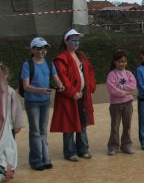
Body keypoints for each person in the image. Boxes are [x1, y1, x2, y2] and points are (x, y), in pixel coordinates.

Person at [50, 29, 96, 162]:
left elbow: (90, 71)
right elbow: (62, 78)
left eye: (78, 40)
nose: (76, 43)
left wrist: (90, 87)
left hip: (82, 96)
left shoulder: (81, 56)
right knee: (69, 124)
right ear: (66, 41)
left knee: (82, 123)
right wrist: (72, 93)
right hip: (68, 99)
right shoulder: (61, 59)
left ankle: (83, 150)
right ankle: (70, 152)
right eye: (73, 40)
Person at [21, 37, 64, 170]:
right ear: (33, 49)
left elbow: (55, 78)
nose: (42, 51)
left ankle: (46, 159)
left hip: (45, 102)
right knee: (35, 131)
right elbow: (26, 86)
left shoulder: (49, 63)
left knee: (43, 131)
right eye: (39, 48)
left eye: (44, 48)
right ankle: (35, 161)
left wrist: (61, 85)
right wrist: (40, 90)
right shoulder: (27, 65)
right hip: (32, 102)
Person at [106, 50, 137, 156]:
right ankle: (113, 146)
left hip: (128, 103)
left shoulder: (128, 73)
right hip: (115, 105)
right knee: (115, 126)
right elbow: (112, 90)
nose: (122, 64)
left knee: (127, 125)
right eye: (120, 61)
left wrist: (122, 88)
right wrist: (125, 92)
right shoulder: (112, 75)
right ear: (115, 62)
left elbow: (133, 86)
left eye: (124, 61)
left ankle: (126, 145)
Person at [0, 63, 19, 182]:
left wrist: (16, 124)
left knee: (9, 148)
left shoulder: (10, 92)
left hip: (8, 125)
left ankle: (8, 168)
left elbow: (15, 109)